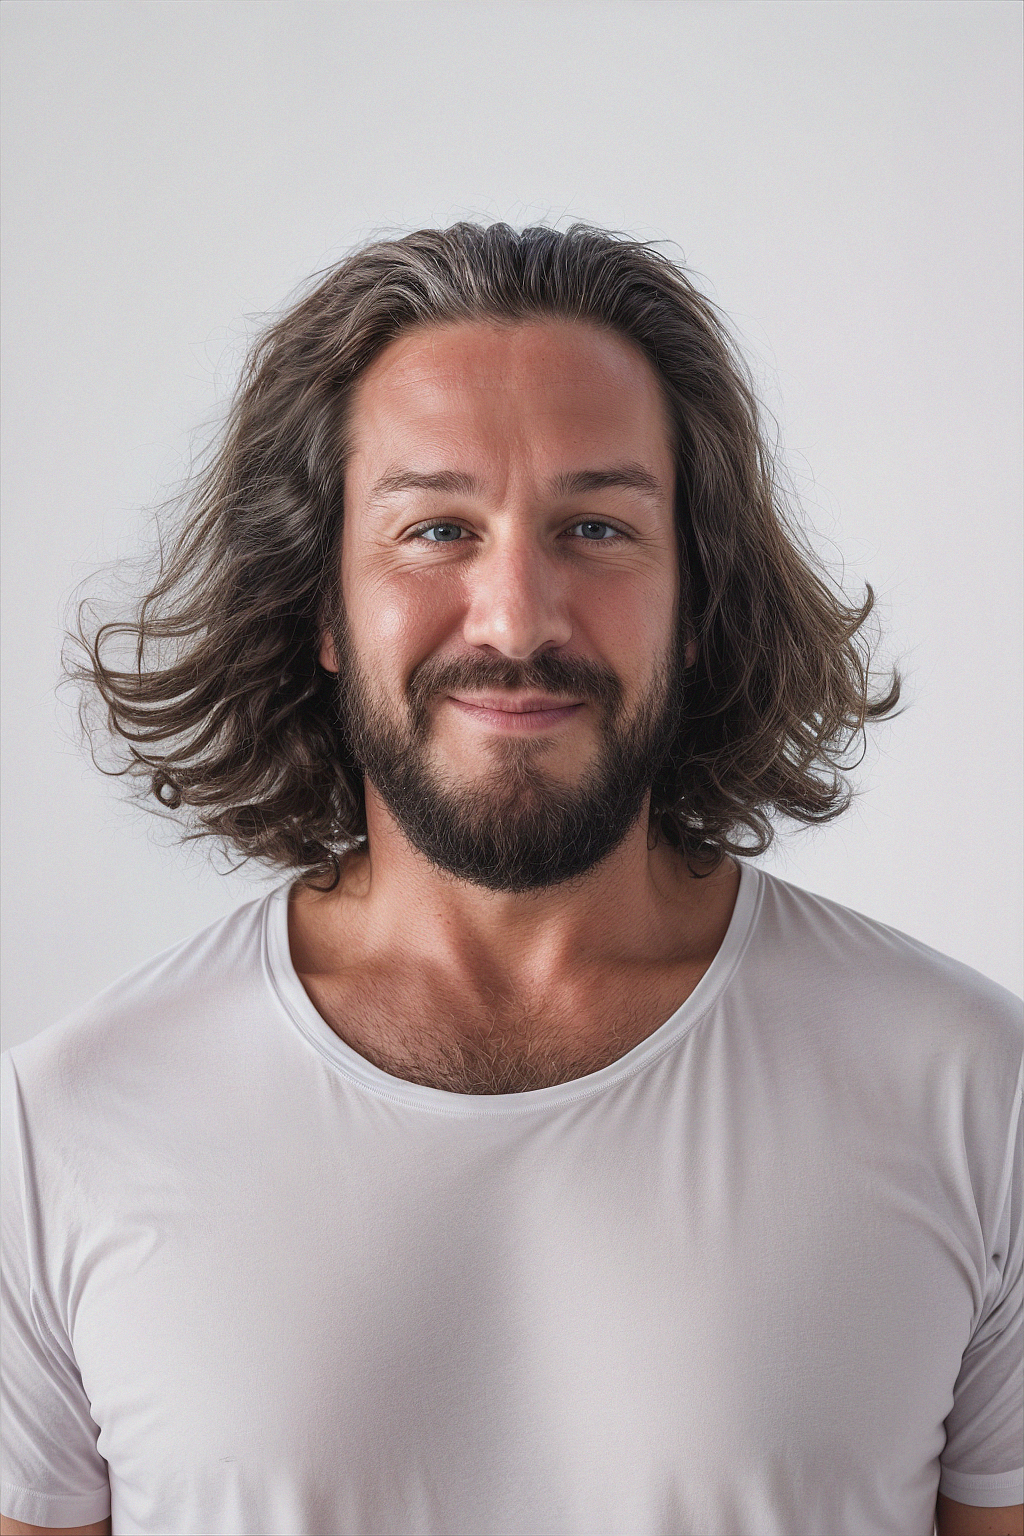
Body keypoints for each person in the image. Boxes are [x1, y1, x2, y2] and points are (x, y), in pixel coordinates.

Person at [1, 222, 1020, 1536]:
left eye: (597, 526)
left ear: (697, 603)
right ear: (320, 604)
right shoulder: (67, 1129)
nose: (518, 616)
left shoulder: (973, 1095)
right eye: (436, 529)